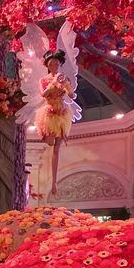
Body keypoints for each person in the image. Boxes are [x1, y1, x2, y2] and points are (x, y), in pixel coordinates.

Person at [36, 49, 75, 195]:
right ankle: (45, 137)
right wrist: (53, 83)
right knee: (50, 142)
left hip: (62, 113)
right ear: (48, 65)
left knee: (57, 149)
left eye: (57, 64)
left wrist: (67, 86)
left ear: (60, 65)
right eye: (52, 64)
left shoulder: (63, 78)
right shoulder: (43, 80)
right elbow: (43, 94)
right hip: (50, 113)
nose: (54, 66)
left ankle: (54, 182)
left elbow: (72, 95)